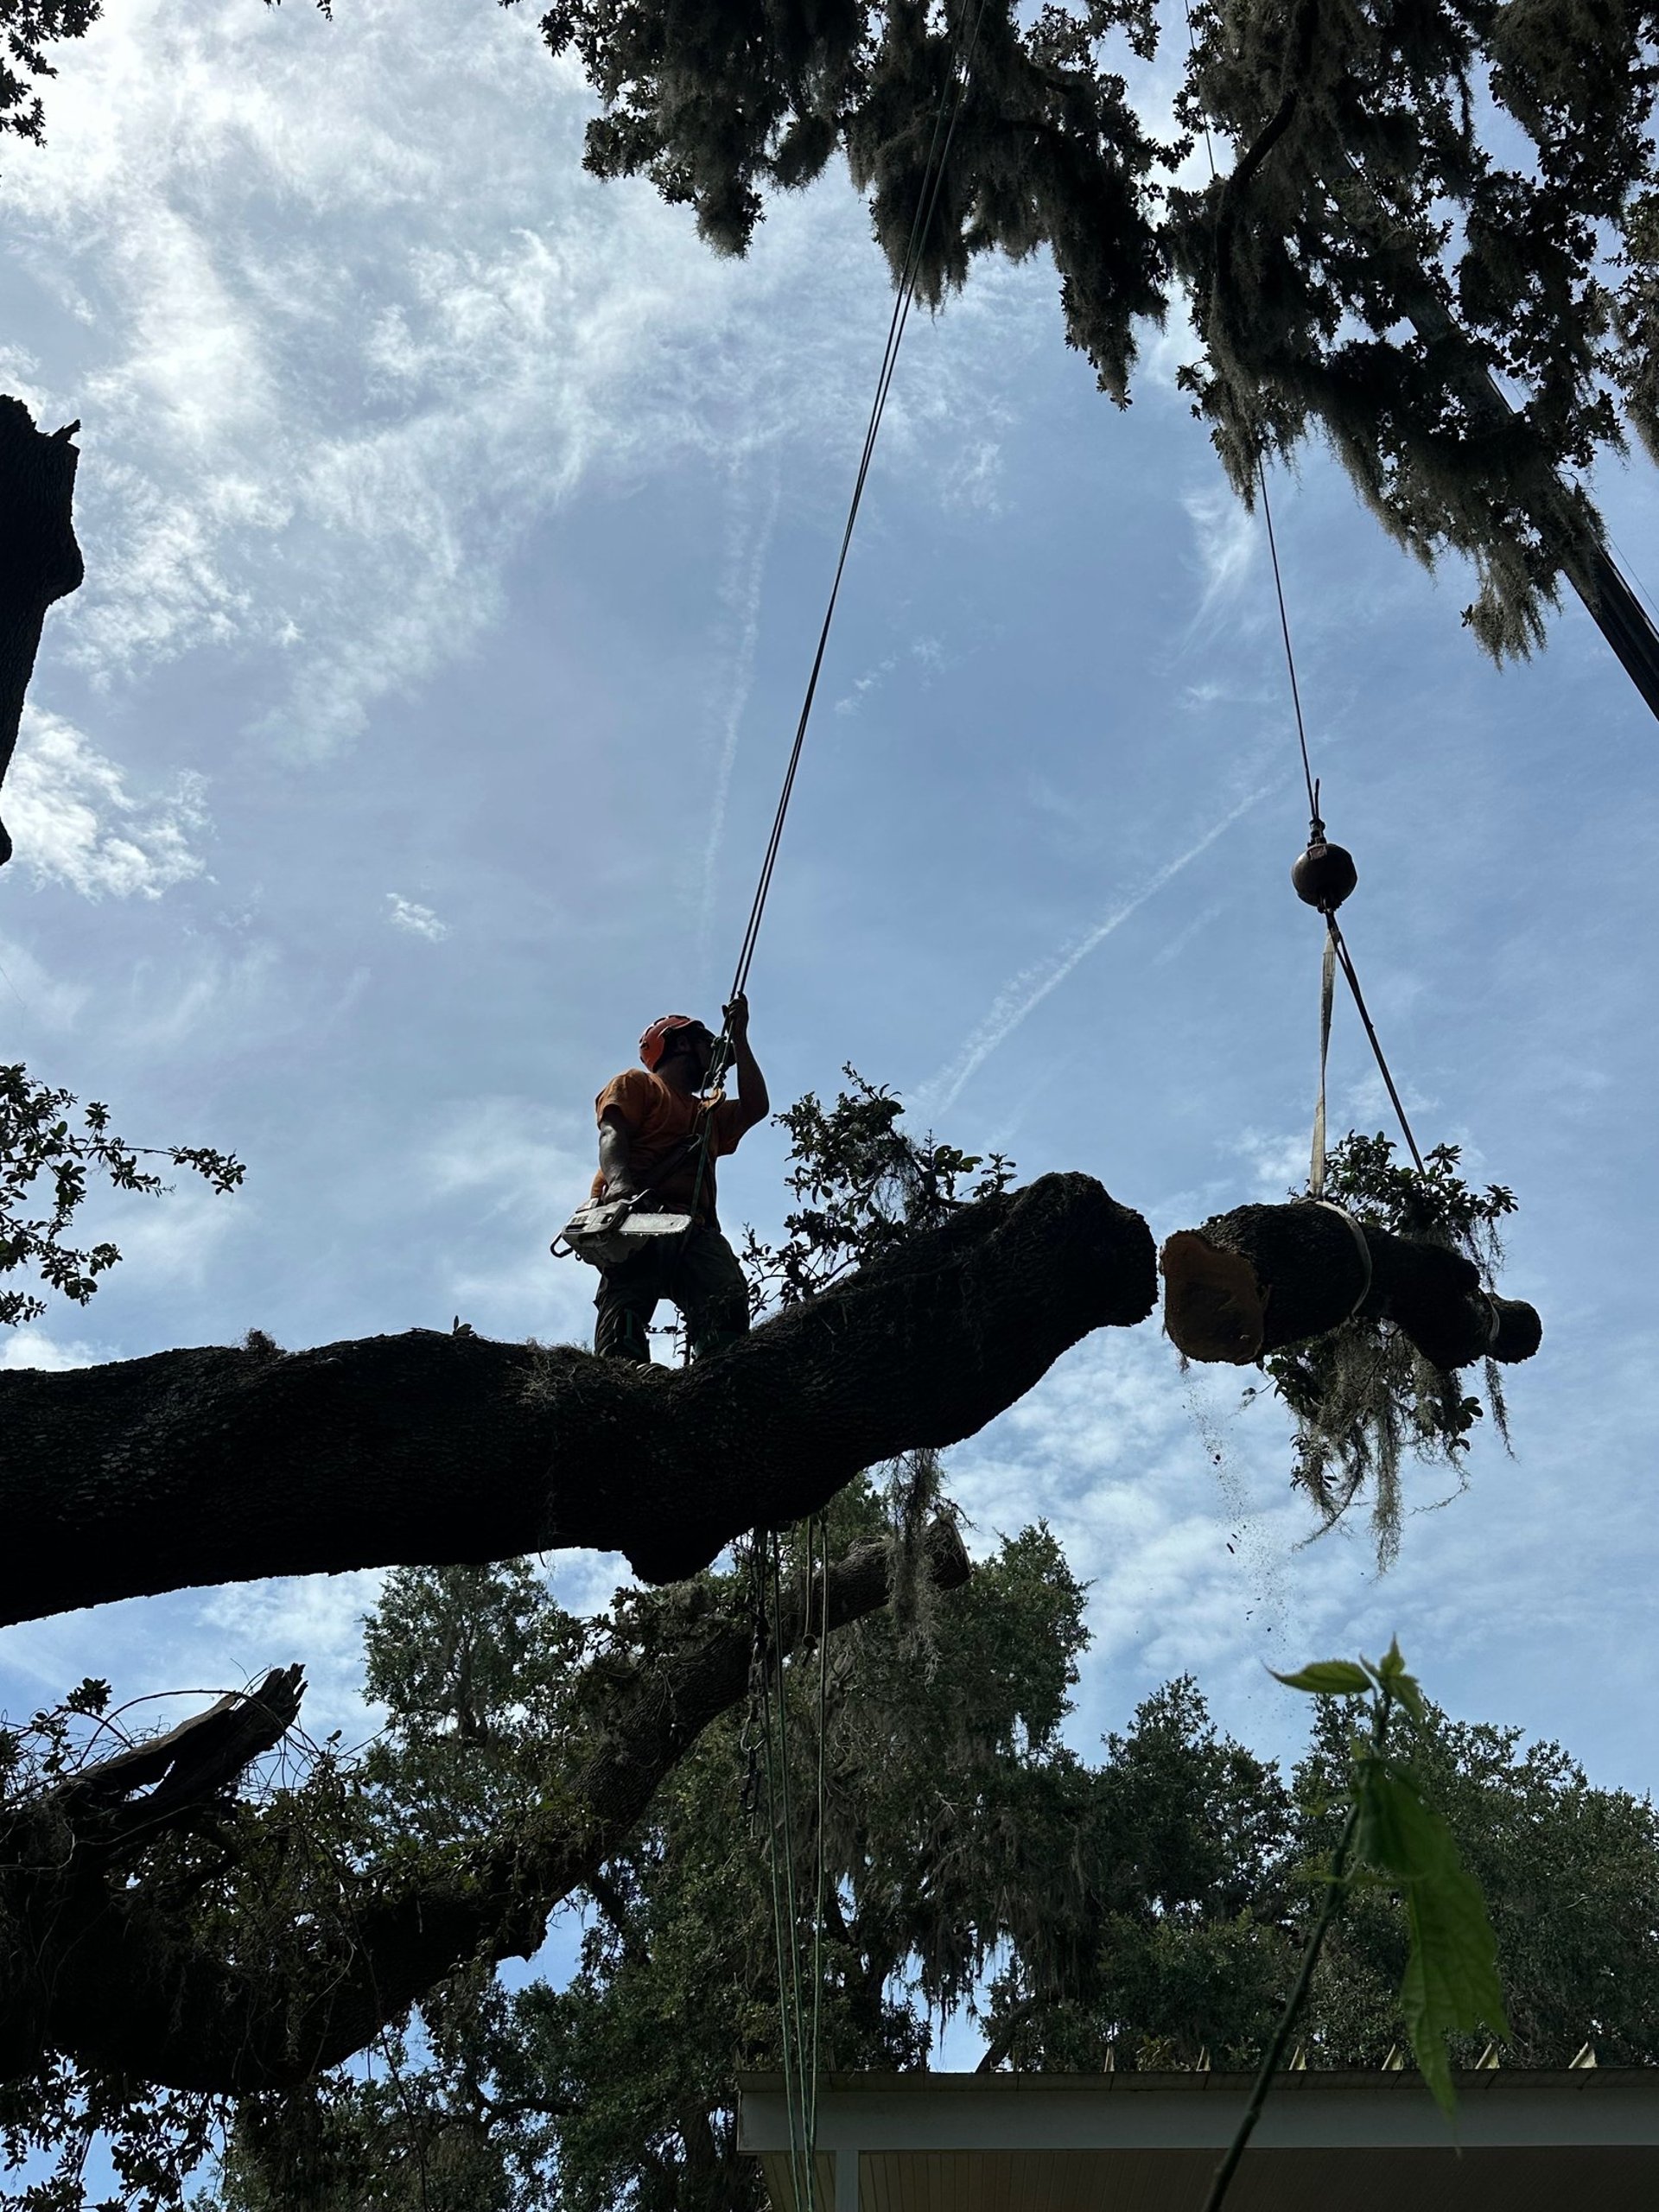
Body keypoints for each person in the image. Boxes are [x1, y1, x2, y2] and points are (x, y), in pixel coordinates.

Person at [589, 993, 769, 1363]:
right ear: (683, 1043)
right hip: (641, 1210)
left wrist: (740, 1038)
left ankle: (719, 1371)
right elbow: (612, 1133)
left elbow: (755, 1107)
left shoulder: (707, 1113)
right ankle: (622, 1372)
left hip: (693, 1224)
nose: (714, 1050)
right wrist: (621, 1187)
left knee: (724, 1298)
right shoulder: (638, 1084)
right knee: (629, 1297)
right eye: (707, 1042)